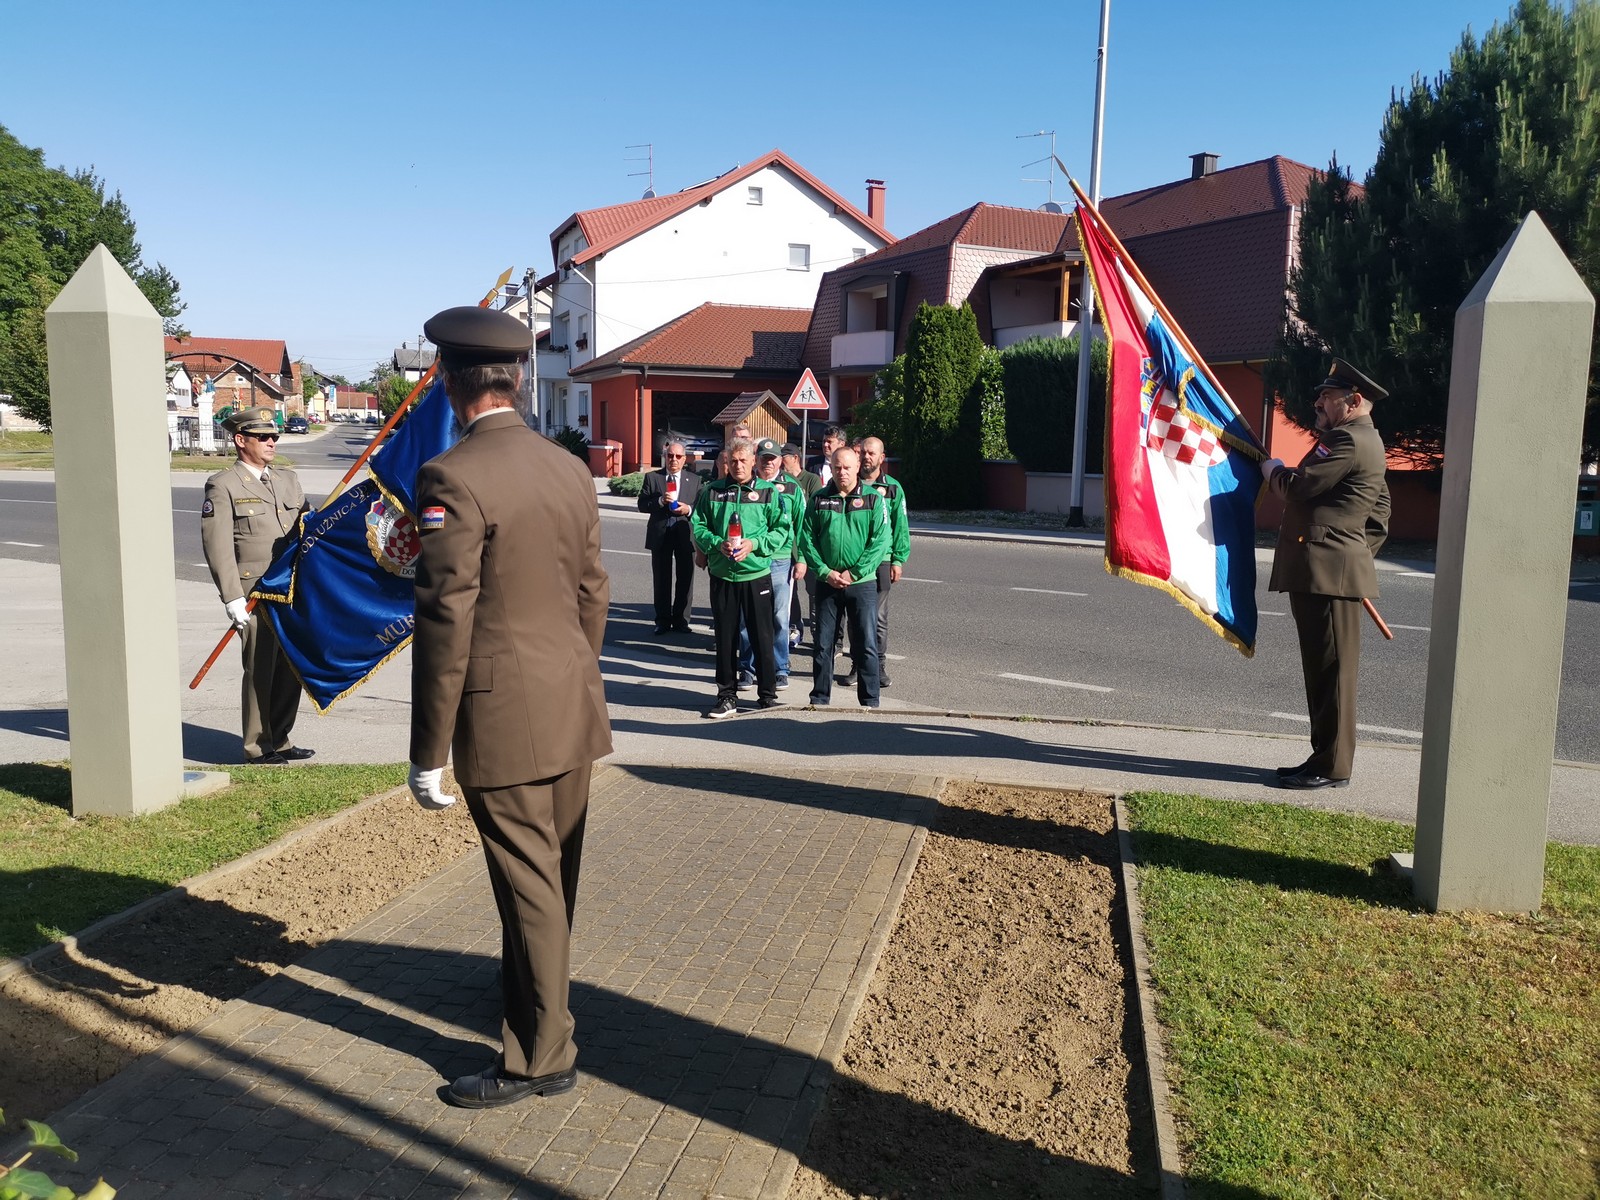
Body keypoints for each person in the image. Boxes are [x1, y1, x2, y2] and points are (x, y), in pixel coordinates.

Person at [407, 305, 612, 1108]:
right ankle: (536, 1009)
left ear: (448, 381)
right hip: (571, 697)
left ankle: (539, 1057)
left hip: (505, 713)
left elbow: (445, 618)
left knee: (529, 886)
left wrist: (428, 751)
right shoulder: (568, 467)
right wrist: (568, 673)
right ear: (519, 377)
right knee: (553, 879)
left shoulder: (453, 476)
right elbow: (592, 591)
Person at [1260, 358, 1391, 790]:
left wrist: (1273, 471)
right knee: (1323, 670)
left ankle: (1332, 766)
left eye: (1327, 397)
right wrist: (1353, 554)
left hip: (1327, 572)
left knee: (1332, 673)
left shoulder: (1347, 440)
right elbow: (1380, 512)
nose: (1318, 403)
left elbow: (1298, 487)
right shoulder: (1366, 440)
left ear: (1353, 401)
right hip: (1331, 570)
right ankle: (1322, 757)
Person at [200, 406, 312, 764]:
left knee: (290, 668)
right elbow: (217, 545)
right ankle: (257, 746)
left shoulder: (288, 480)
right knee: (260, 668)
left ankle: (280, 737)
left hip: (291, 589)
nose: (271, 442)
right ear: (240, 440)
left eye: (273, 436)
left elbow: (307, 528)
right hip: (255, 592)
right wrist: (231, 597)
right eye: (262, 437)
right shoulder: (224, 485)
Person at [690, 437, 786, 718]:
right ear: (726, 463)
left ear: (754, 461)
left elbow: (782, 530)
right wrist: (716, 543)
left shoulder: (768, 492)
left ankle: (767, 695)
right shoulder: (712, 491)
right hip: (723, 575)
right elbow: (698, 525)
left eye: (743, 460)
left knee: (762, 636)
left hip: (756, 574)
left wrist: (754, 544)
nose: (738, 465)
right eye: (733, 461)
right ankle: (726, 696)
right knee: (726, 638)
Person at [796, 446, 891, 708]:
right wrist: (825, 572)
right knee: (823, 644)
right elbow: (807, 539)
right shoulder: (819, 499)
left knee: (866, 643)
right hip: (827, 582)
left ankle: (870, 700)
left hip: (861, 583)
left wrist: (855, 572)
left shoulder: (873, 499)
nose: (842, 472)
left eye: (847, 467)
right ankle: (819, 698)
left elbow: (880, 541)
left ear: (857, 466)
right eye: (837, 467)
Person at [842, 436, 910, 689]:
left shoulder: (892, 488)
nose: (866, 457)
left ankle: (878, 666)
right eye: (863, 453)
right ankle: (857, 664)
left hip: (881, 560)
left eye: (872, 453)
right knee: (855, 616)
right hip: (853, 561)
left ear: (882, 458)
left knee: (878, 617)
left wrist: (898, 559)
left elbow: (900, 526)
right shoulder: (849, 484)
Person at [735, 439, 800, 689]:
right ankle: (747, 668)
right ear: (756, 460)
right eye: (764, 458)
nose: (768, 463)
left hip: (780, 560)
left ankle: (780, 668)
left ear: (780, 461)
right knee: (747, 617)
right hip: (752, 559)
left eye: (772, 459)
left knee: (779, 618)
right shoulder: (745, 486)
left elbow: (802, 525)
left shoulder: (791, 487)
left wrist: (801, 559)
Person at [638, 441, 700, 634]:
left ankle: (681, 620)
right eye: (670, 456)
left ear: (684, 459)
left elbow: (701, 508)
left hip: (684, 533)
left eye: (678, 456)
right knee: (661, 578)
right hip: (661, 535)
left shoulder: (694, 480)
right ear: (665, 457)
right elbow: (642, 505)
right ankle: (663, 621)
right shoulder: (653, 478)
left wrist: (688, 509)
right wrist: (659, 501)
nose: (674, 459)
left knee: (685, 578)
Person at [780, 442, 822, 647]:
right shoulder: (779, 481)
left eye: (783, 458)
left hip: (808, 542)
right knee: (790, 589)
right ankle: (794, 626)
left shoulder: (811, 479)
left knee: (813, 589)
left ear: (795, 458)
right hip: (789, 545)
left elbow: (814, 508)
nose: (780, 463)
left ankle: (817, 630)